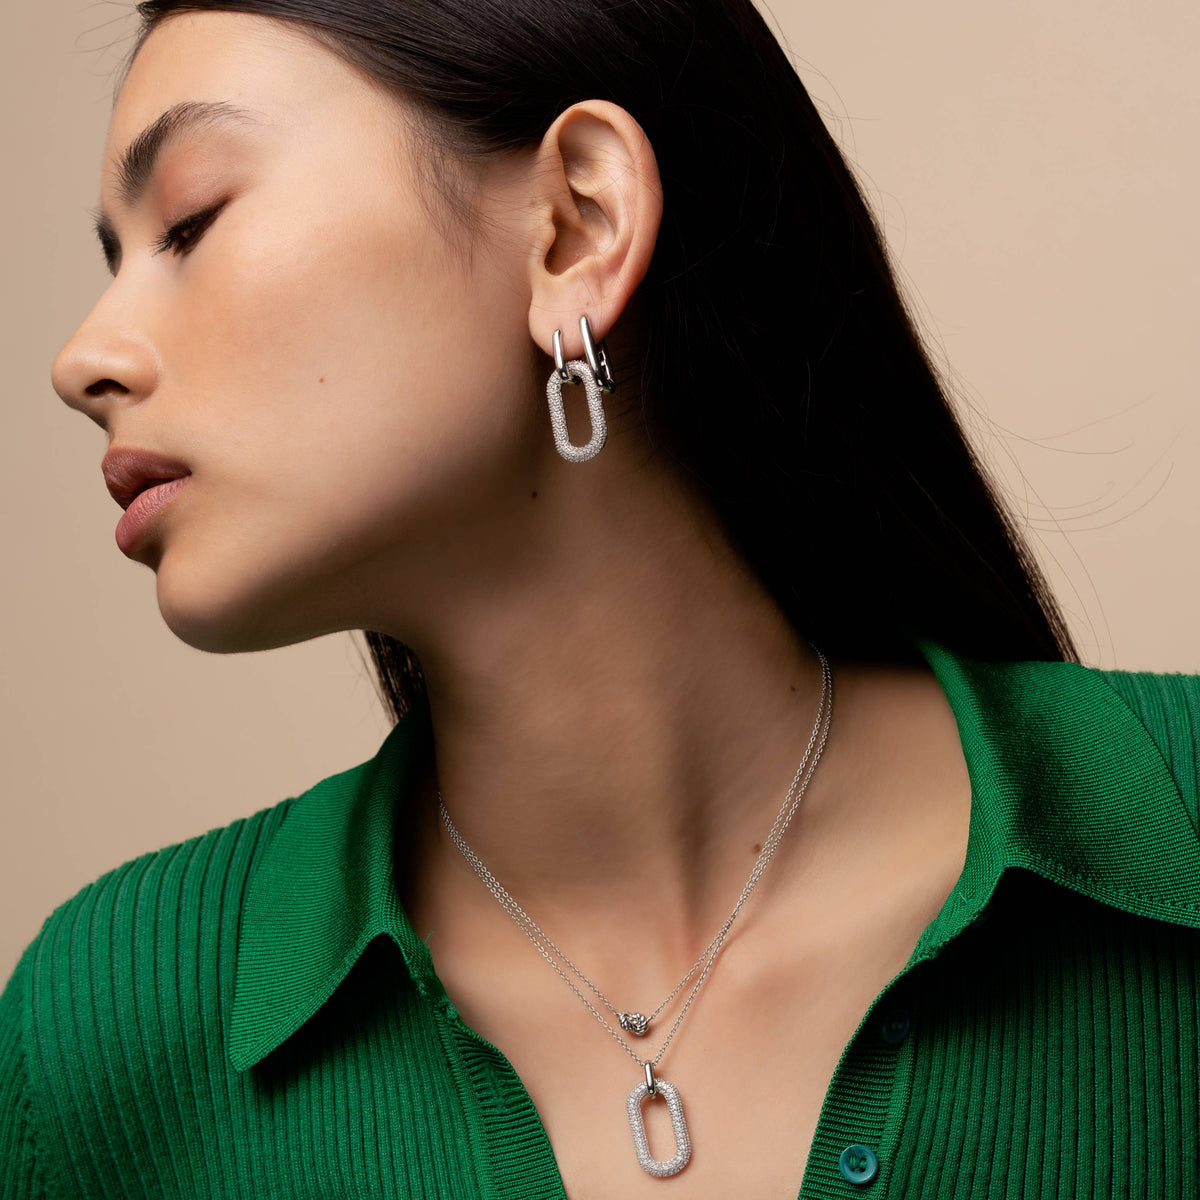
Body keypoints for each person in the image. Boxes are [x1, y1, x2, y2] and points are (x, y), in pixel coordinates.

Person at [3, 2, 1198, 1197]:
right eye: (116, 258)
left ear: (577, 225)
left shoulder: (1174, 823)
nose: (81, 361)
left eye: (191, 221)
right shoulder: (106, 1040)